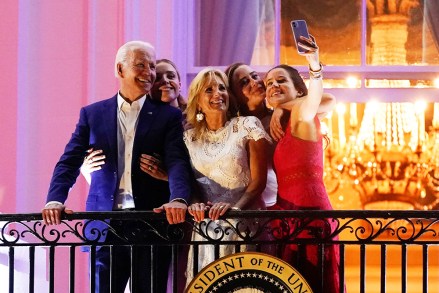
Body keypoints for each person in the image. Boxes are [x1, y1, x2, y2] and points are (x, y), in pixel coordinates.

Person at [42, 41, 192, 293]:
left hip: (150, 222)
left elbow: (177, 161)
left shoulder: (169, 116)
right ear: (120, 70)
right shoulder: (92, 113)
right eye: (140, 65)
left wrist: (178, 198)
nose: (149, 72)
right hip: (104, 224)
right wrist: (55, 200)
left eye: (152, 66)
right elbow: (69, 160)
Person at [264, 35, 343, 292]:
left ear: (298, 89)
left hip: (310, 219)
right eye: (268, 84)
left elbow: (316, 97)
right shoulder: (280, 127)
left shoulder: (302, 118)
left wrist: (314, 65)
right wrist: (280, 108)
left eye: (281, 81)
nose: (273, 86)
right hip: (286, 219)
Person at [183, 67, 272, 286]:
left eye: (222, 88)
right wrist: (194, 204)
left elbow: (258, 182)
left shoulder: (247, 126)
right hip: (205, 231)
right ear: (198, 101)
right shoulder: (189, 138)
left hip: (244, 227)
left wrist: (235, 210)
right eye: (209, 90)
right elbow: (190, 183)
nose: (217, 94)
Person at [225, 63, 336, 208]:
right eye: (244, 82)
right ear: (235, 96)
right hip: (254, 207)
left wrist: (282, 107)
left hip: (294, 203)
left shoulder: (286, 117)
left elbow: (328, 100)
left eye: (255, 76)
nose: (254, 82)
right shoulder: (235, 130)